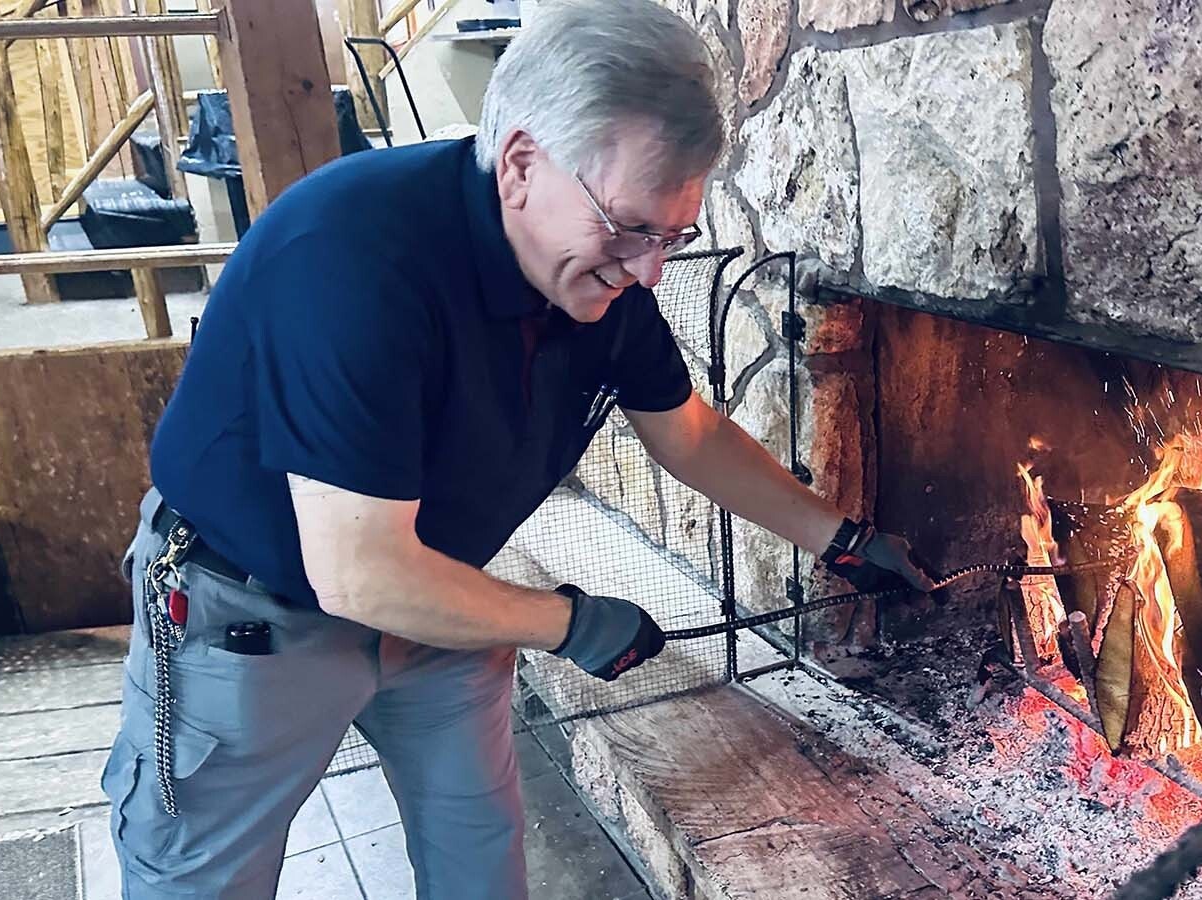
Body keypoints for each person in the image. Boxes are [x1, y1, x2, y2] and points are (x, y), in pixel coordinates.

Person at [101, 0, 935, 896]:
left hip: (441, 597)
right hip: (255, 615)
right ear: (522, 165)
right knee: (202, 879)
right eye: (629, 227)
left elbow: (688, 433)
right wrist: (567, 621)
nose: (650, 270)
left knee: (479, 857)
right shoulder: (351, 260)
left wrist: (842, 541)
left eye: (673, 236)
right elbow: (361, 573)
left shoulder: (597, 281)